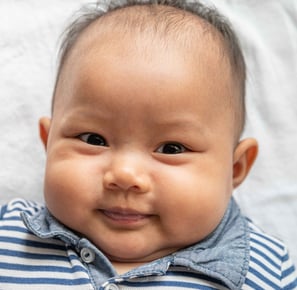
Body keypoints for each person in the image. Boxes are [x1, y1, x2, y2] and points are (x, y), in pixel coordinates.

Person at [0, 0, 296, 289]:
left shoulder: (266, 267)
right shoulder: (10, 232)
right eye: (94, 140)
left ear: (235, 169)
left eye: (171, 148)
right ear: (48, 143)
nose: (125, 175)